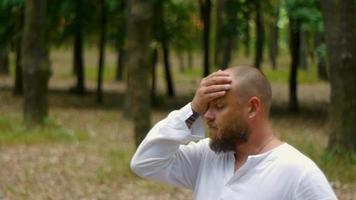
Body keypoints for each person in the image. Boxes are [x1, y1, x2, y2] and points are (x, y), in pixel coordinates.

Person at [130, 65, 337, 200]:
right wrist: (192, 109)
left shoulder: (298, 173)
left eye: (219, 107)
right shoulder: (207, 157)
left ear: (252, 108)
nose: (207, 115)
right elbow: (145, 163)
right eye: (205, 107)